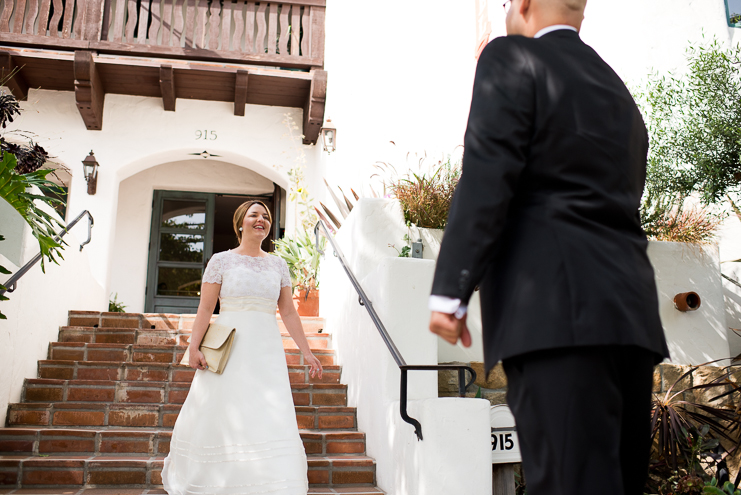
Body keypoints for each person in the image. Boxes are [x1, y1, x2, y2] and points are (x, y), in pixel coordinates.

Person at [428, 1, 670, 494]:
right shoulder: (617, 91)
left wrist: (451, 291)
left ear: (521, 3)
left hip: (555, 316)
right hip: (631, 318)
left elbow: (487, 172)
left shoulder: (510, 56)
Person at [162, 200, 323, 495]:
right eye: (254, 215)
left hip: (266, 350)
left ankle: (268, 480)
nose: (261, 220)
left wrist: (307, 351)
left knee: (265, 410)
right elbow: (205, 308)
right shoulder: (221, 261)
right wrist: (194, 347)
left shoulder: (279, 264)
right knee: (220, 408)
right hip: (229, 346)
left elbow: (288, 312)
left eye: (266, 216)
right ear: (240, 223)